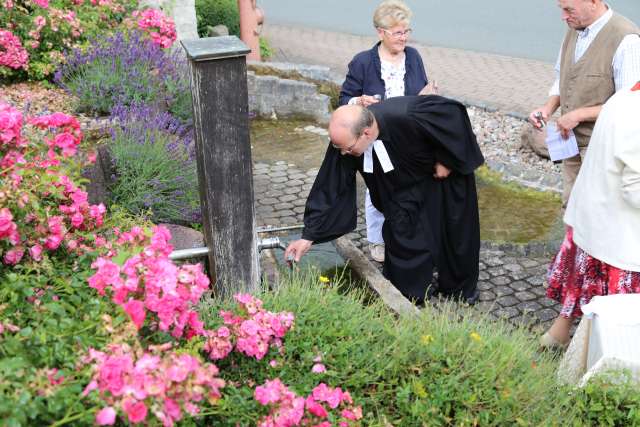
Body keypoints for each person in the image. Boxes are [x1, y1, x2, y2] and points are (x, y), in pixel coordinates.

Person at [284, 96, 484, 304]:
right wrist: (309, 236)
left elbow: (455, 114)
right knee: (402, 231)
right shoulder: (345, 141)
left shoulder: (408, 113)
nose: (343, 153)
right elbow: (330, 185)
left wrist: (447, 160)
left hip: (440, 178)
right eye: (339, 148)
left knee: (455, 232)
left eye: (348, 148)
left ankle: (459, 291)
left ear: (366, 133)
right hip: (401, 189)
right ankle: (409, 294)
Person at [540, 81, 640, 350]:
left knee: (582, 282)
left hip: (592, 217)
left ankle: (557, 336)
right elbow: (635, 190)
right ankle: (593, 361)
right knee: (613, 313)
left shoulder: (623, 98)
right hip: (617, 235)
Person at [338, 0, 432, 263]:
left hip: (409, 136)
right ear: (381, 32)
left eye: (406, 31)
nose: (404, 38)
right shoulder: (363, 62)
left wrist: (428, 95)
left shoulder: (413, 57)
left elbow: (420, 90)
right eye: (398, 32)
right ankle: (377, 240)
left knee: (412, 187)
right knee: (377, 189)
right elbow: (344, 99)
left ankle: (407, 235)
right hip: (377, 138)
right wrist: (359, 101)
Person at [528, 0, 640, 205]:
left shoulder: (626, 39)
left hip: (604, 146)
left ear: (593, 2)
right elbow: (563, 77)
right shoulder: (574, 28)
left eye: (569, 9)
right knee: (570, 204)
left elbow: (630, 104)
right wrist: (548, 108)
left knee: (595, 211)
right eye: (561, 9)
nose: (563, 16)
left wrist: (578, 115)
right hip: (569, 141)